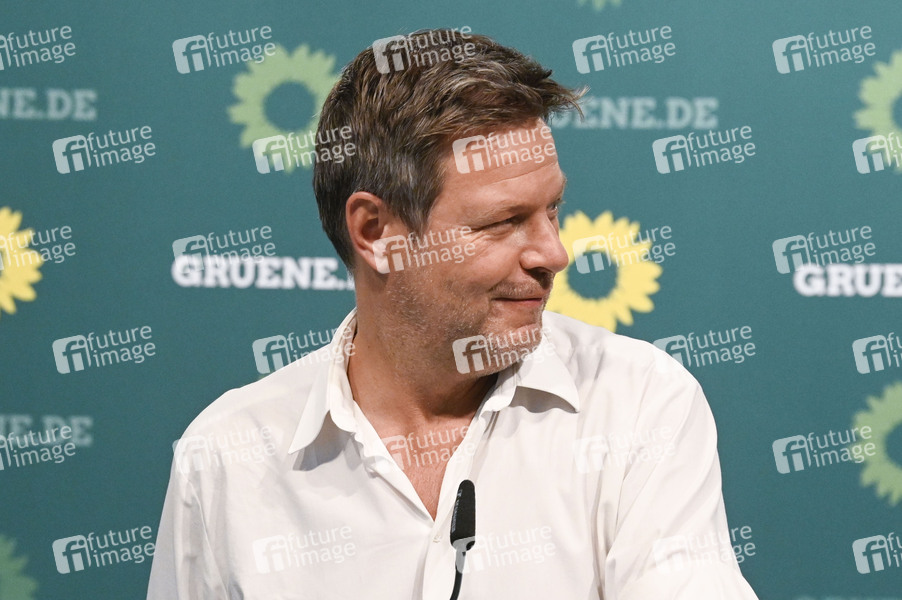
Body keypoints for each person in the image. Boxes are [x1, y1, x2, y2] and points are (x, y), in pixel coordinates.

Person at [147, 29, 760, 599]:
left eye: (552, 211)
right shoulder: (225, 458)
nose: (554, 254)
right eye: (504, 221)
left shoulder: (639, 403)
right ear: (375, 231)